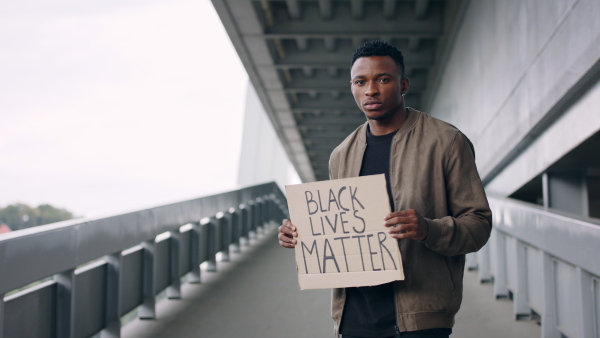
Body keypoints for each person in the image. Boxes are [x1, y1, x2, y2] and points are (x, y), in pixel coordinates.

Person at [278, 40, 492, 338]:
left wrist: (428, 229)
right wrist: (300, 233)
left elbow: (479, 224)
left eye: (383, 79)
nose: (371, 90)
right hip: (353, 315)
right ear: (351, 87)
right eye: (360, 81)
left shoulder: (446, 141)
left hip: (420, 317)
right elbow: (340, 225)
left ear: (403, 84)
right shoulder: (342, 154)